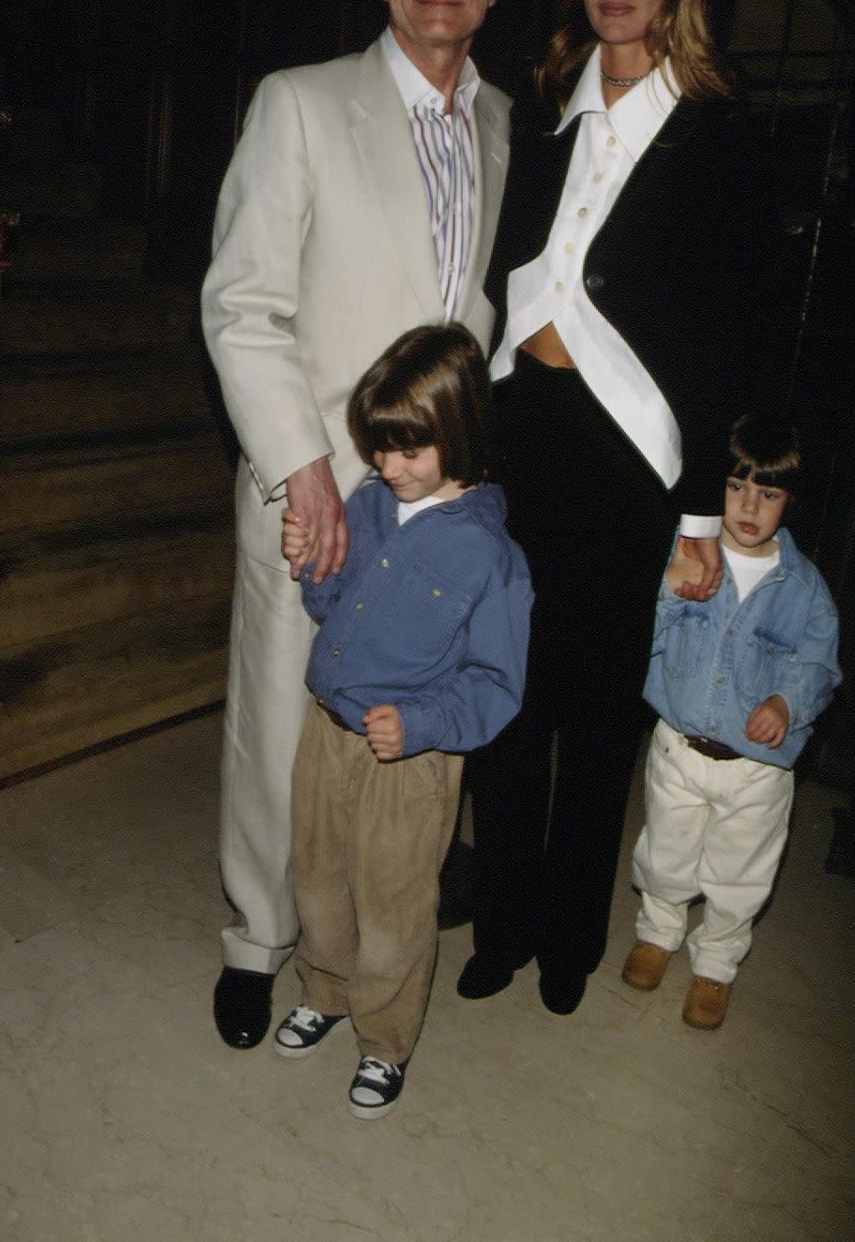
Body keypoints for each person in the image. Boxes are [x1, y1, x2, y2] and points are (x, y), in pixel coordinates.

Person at [459, 0, 788, 1016]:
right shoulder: (541, 109)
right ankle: (499, 918)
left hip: (627, 463)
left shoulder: (720, 134)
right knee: (506, 701)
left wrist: (701, 513)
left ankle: (565, 940)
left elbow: (735, 341)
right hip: (520, 438)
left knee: (598, 721)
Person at [202, 0, 510, 1048]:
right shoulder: (301, 103)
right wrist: (303, 467)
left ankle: (366, 936)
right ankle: (253, 938)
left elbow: (470, 311)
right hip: (317, 482)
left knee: (399, 727)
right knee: (281, 716)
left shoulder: (495, 123)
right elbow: (239, 307)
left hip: (440, 504)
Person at [272, 324, 531, 1118]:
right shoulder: (372, 505)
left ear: (460, 432)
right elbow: (329, 604)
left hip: (411, 760)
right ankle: (326, 988)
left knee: (392, 906)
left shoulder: (490, 557)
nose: (390, 468)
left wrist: (419, 724)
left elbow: (496, 685)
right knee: (316, 878)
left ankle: (384, 1041)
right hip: (328, 729)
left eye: (410, 451)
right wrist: (309, 558)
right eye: (380, 449)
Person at [621, 413, 841, 1027]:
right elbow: (641, 636)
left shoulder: (805, 588)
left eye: (768, 493)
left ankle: (715, 965)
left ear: (788, 502)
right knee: (665, 853)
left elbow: (819, 665)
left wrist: (787, 704)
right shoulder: (684, 554)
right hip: (678, 748)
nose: (749, 505)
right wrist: (666, 588)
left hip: (757, 772)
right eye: (737, 487)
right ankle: (657, 933)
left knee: (739, 874)